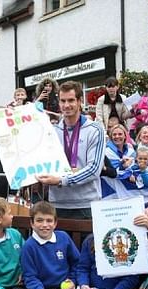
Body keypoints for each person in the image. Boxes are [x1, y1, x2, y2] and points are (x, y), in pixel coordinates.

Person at [36, 80, 105, 219]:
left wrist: (62, 180)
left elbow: (94, 169)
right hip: (57, 204)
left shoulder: (95, 129)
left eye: (71, 100)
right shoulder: (52, 130)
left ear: (79, 101)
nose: (66, 105)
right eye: (63, 101)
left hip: (86, 204)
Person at [17, 201, 79, 289]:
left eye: (49, 220)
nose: (45, 225)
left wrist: (73, 280)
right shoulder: (29, 246)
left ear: (55, 223)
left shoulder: (63, 238)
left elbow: (77, 263)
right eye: (39, 220)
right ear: (32, 223)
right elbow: (29, 276)